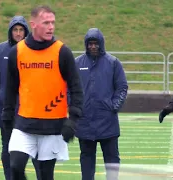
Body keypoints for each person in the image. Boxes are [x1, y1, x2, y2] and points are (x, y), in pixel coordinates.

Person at [1, 5, 83, 180]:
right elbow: (10, 87)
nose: (51, 27)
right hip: (24, 124)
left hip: (53, 127)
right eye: (46, 22)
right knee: (15, 166)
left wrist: (73, 119)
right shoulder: (18, 51)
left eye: (53, 22)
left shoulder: (62, 52)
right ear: (34, 24)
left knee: (45, 176)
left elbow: (76, 87)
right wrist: (7, 114)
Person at [0, 15, 42, 180]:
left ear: (26, 31)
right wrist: (0, 96)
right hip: (7, 112)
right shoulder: (0, 50)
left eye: (21, 30)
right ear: (10, 32)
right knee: (8, 149)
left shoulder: (36, 50)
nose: (18, 33)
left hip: (31, 111)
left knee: (36, 150)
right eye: (15, 30)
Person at [74, 28, 128, 180]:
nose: (92, 46)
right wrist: (75, 107)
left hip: (107, 122)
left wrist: (114, 106)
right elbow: (69, 87)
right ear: (86, 44)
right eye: (90, 43)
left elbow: (122, 87)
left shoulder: (113, 63)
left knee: (112, 161)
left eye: (95, 43)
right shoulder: (77, 63)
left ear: (101, 44)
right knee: (86, 160)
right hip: (85, 122)